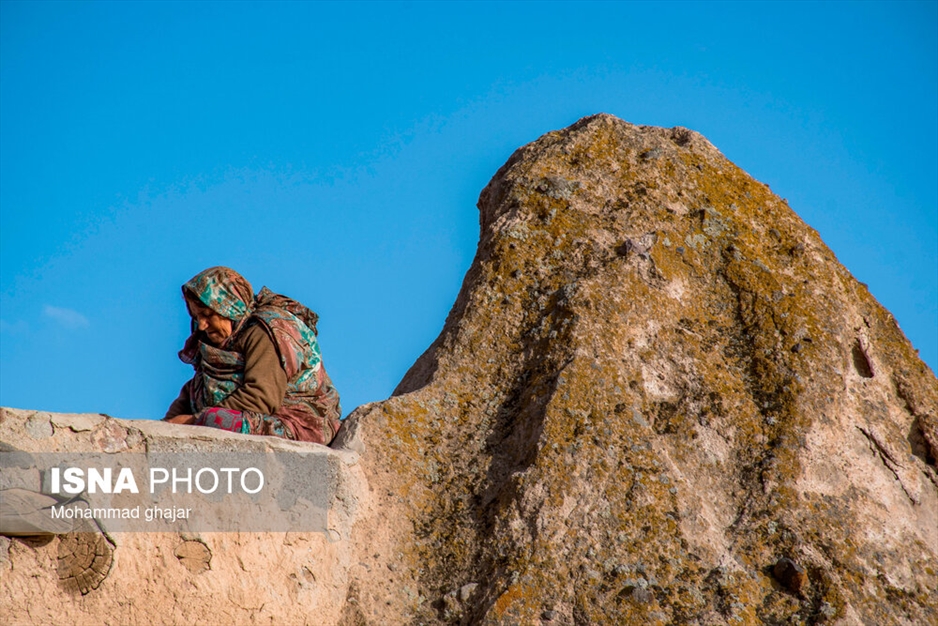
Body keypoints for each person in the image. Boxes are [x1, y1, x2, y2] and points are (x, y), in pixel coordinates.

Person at [163, 266, 342, 445]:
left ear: (230, 307)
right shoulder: (211, 340)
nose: (202, 325)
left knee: (216, 421)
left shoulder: (264, 332)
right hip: (245, 416)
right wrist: (170, 423)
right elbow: (198, 386)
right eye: (196, 316)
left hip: (297, 423)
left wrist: (195, 421)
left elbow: (261, 397)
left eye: (208, 315)